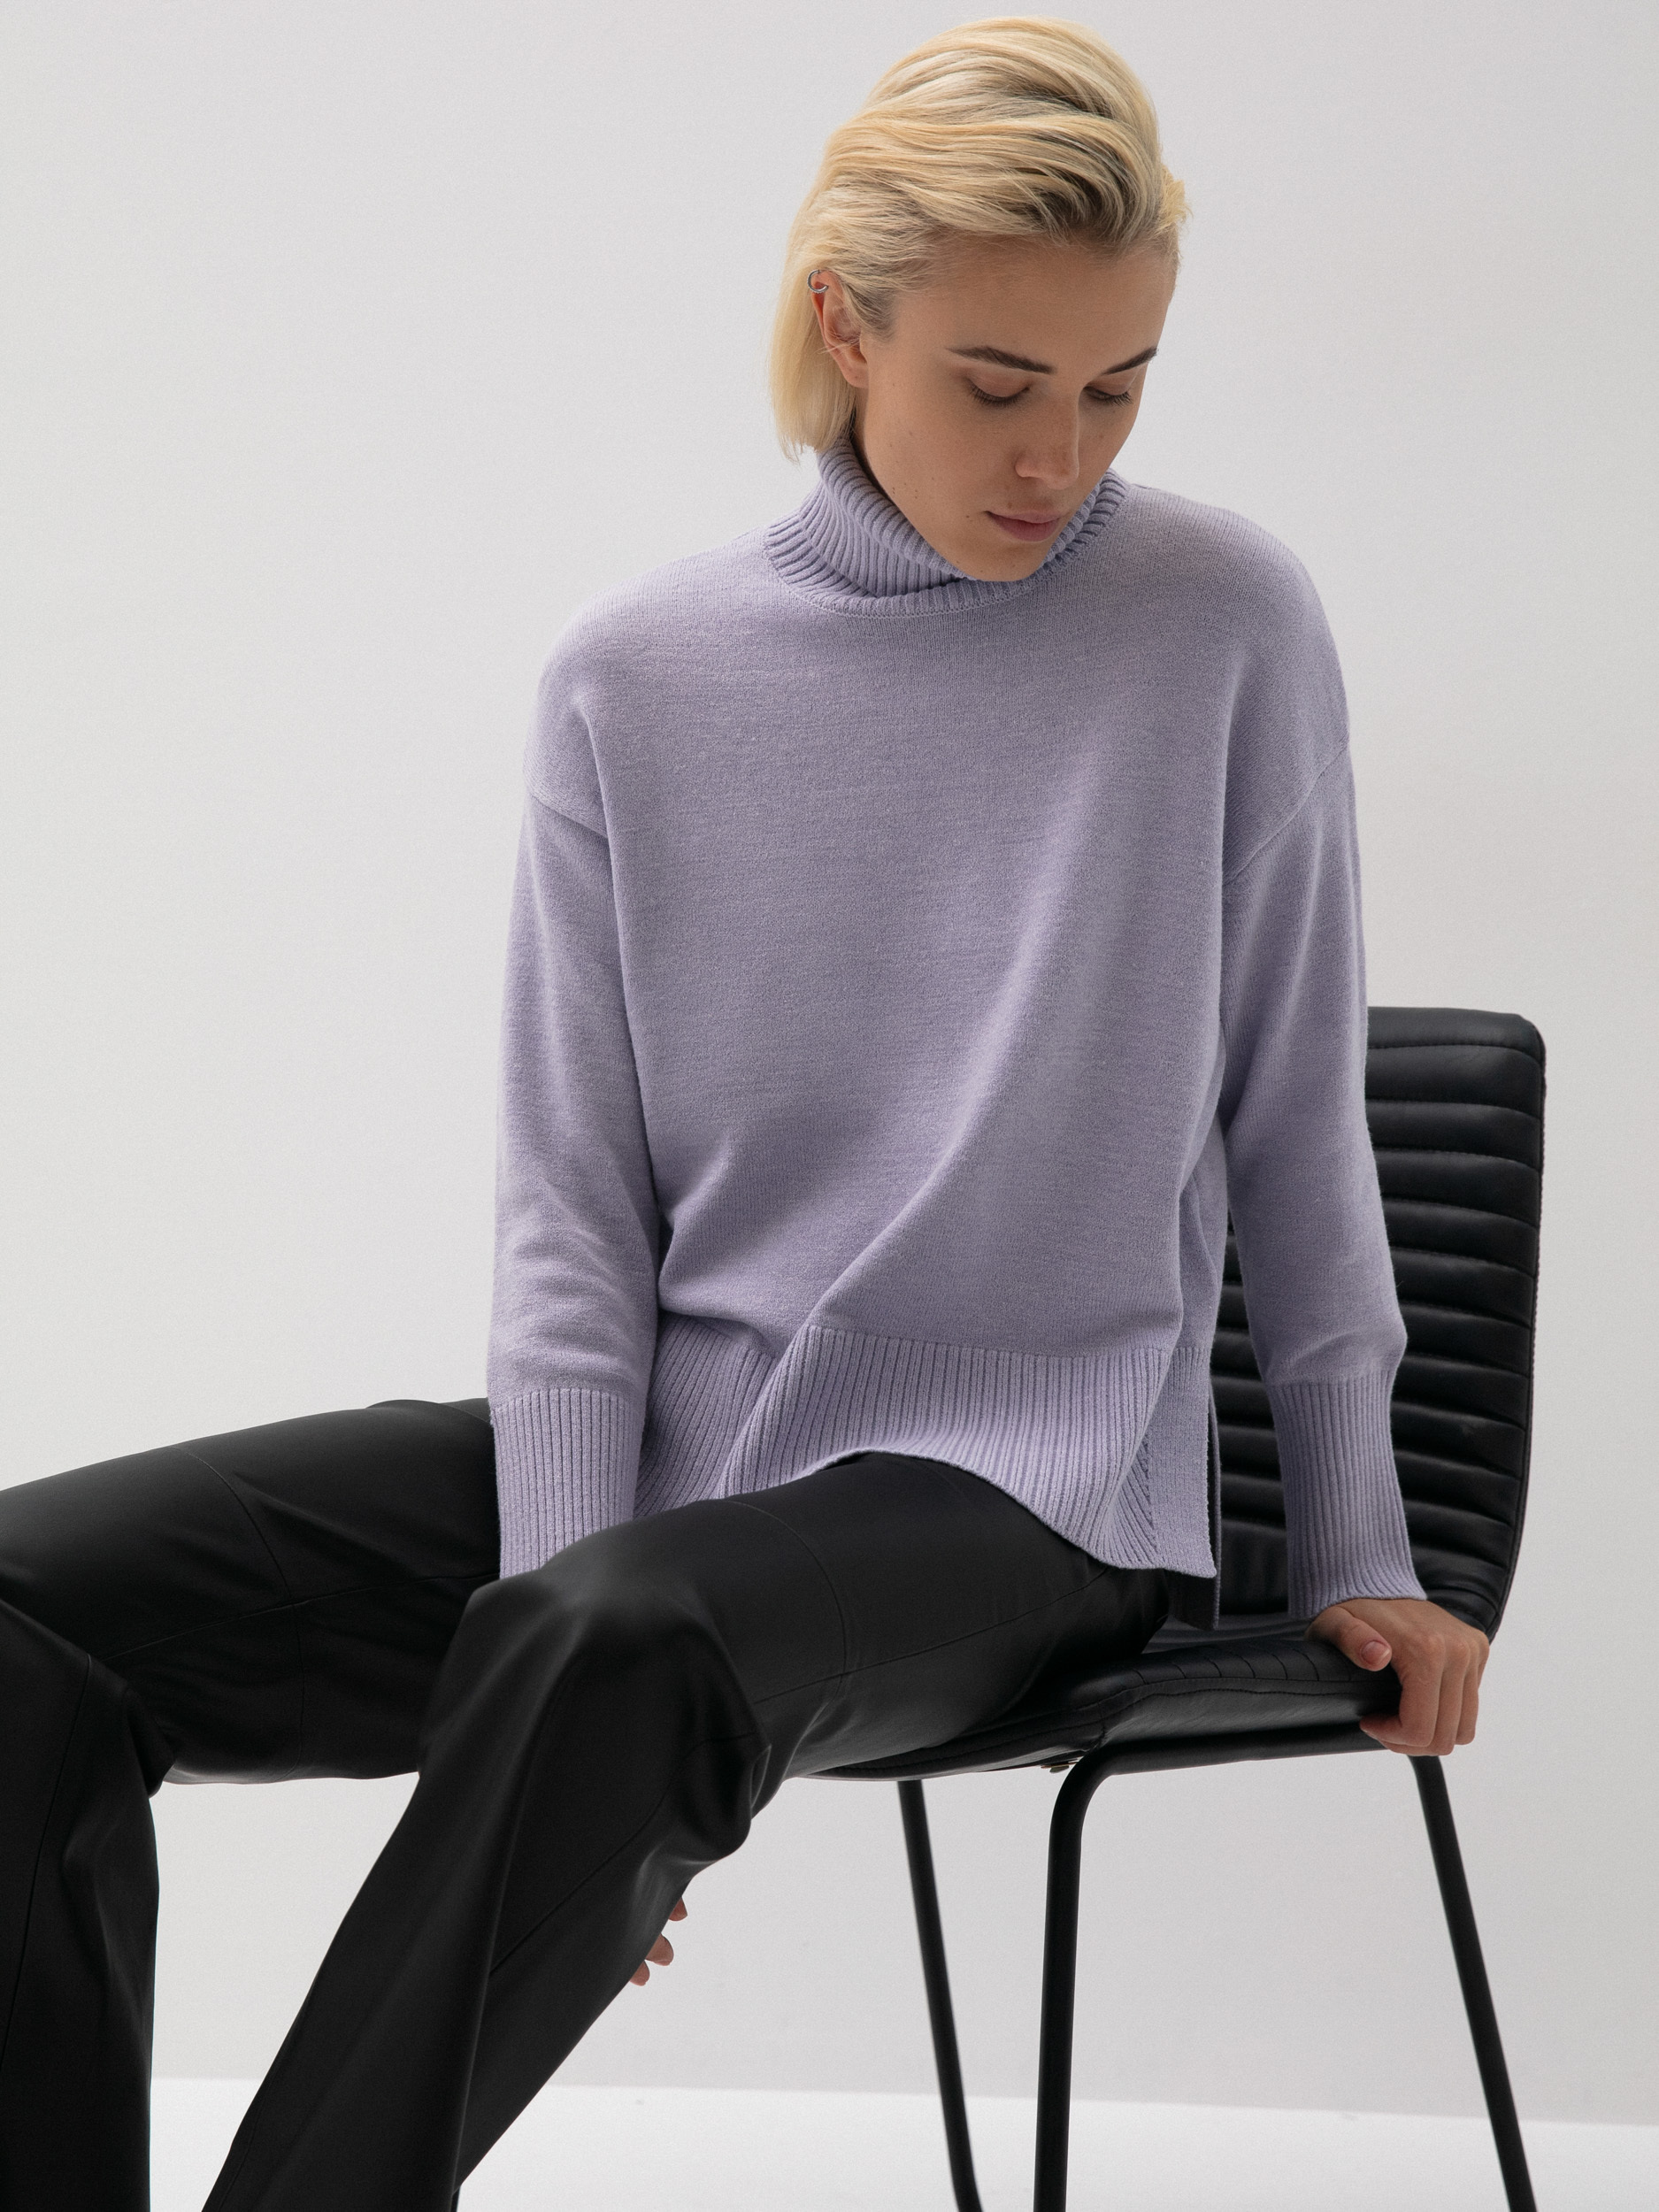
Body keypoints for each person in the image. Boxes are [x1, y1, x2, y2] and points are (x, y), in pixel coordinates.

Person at [0, 18, 1490, 2211]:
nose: (1056, 455)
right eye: (997, 381)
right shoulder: (636, 677)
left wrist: (1360, 1542)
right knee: (32, 1607)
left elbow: (1290, 1115)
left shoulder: (1221, 626)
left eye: (1116, 387)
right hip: (682, 1477)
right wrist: (543, 1701)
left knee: (619, 1636)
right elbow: (573, 1215)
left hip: (1030, 1500)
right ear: (842, 326)